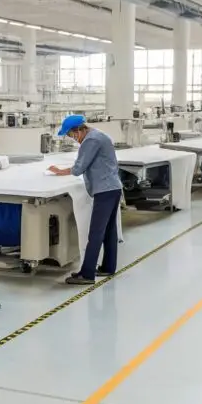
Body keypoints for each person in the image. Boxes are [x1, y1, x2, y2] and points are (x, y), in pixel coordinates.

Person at [47, 114, 123, 286]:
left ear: (79, 130)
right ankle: (108, 267)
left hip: (105, 190)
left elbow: (79, 168)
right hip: (112, 188)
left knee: (96, 232)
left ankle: (87, 274)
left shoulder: (91, 140)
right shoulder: (98, 135)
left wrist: (60, 171)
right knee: (109, 231)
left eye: (71, 135)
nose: (73, 139)